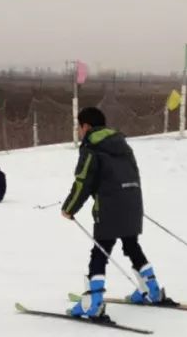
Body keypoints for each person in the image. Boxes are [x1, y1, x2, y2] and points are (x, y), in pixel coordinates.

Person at [61, 107, 167, 318]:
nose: (79, 132)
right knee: (131, 245)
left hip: (109, 206)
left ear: (86, 126)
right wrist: (129, 201)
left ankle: (94, 302)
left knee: (100, 251)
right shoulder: (121, 143)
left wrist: (69, 208)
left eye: (79, 127)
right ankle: (152, 290)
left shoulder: (92, 146)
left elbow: (84, 181)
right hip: (132, 202)